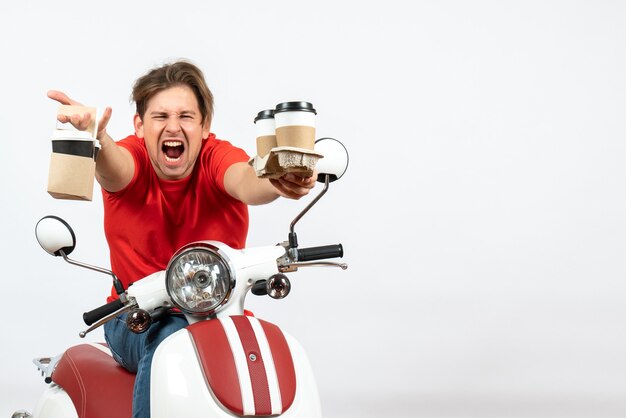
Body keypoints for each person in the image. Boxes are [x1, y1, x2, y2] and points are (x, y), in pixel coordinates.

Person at [48, 60, 316, 418]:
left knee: (262, 341)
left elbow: (246, 180)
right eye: (160, 117)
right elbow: (115, 168)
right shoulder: (133, 158)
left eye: (186, 117)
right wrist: (99, 138)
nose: (173, 127)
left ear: (204, 126)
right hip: (134, 318)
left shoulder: (216, 157)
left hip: (215, 316)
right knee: (170, 336)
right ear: (140, 126)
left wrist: (278, 181)